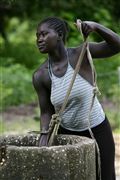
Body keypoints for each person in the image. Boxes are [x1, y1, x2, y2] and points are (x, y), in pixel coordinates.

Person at [33, 17, 120, 180]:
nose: (39, 39)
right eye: (37, 36)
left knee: (105, 176)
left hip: (98, 130)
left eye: (44, 34)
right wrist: (44, 136)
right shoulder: (41, 75)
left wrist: (97, 26)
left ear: (59, 34)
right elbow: (46, 112)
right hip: (68, 135)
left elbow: (117, 45)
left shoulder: (81, 54)